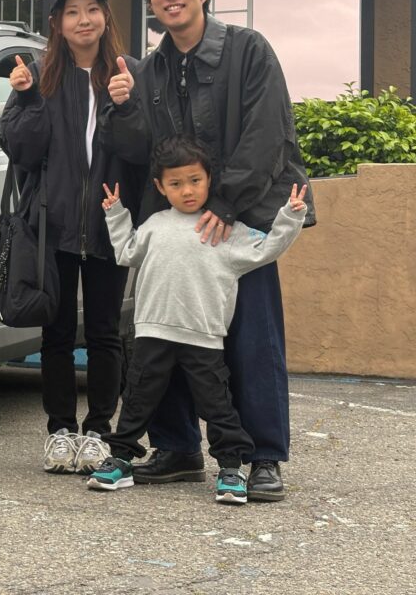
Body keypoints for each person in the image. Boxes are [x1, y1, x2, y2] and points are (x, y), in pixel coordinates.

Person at [103, 0, 316, 501]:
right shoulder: (148, 70)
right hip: (177, 230)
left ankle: (264, 455)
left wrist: (225, 202)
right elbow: (139, 150)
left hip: (240, 221)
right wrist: (122, 107)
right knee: (163, 335)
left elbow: (267, 134)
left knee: (252, 341)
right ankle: (176, 448)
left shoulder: (248, 50)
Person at [86, 135, 307, 504]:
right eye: (175, 183)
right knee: (138, 398)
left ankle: (231, 469)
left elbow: (267, 249)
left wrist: (290, 217)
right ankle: (119, 460)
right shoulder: (155, 224)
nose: (187, 191)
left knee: (217, 404)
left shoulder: (225, 230)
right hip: (152, 334)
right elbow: (126, 252)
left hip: (204, 338)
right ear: (160, 186)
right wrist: (116, 214)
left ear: (210, 180)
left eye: (195, 181)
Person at [1, 0, 141, 474]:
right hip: (52, 225)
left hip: (110, 222)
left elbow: (142, 149)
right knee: (56, 335)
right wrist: (27, 98)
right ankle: (60, 429)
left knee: (104, 333)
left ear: (106, 18)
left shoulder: (130, 73)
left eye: (92, 9)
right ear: (57, 24)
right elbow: (21, 151)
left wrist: (127, 106)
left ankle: (100, 429)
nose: (84, 20)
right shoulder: (38, 75)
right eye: (72, 12)